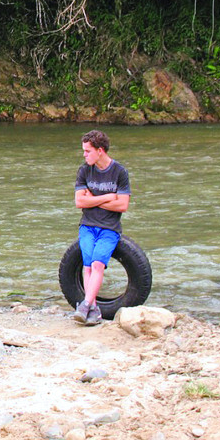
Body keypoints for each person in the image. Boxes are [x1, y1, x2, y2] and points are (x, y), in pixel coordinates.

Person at [73, 129, 131, 325]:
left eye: (87, 151)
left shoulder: (120, 172)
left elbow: (122, 205)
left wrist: (93, 199)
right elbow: (79, 202)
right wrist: (107, 197)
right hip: (87, 226)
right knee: (87, 265)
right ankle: (94, 310)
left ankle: (85, 305)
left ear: (100, 151)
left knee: (97, 264)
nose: (84, 155)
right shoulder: (84, 171)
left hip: (109, 228)